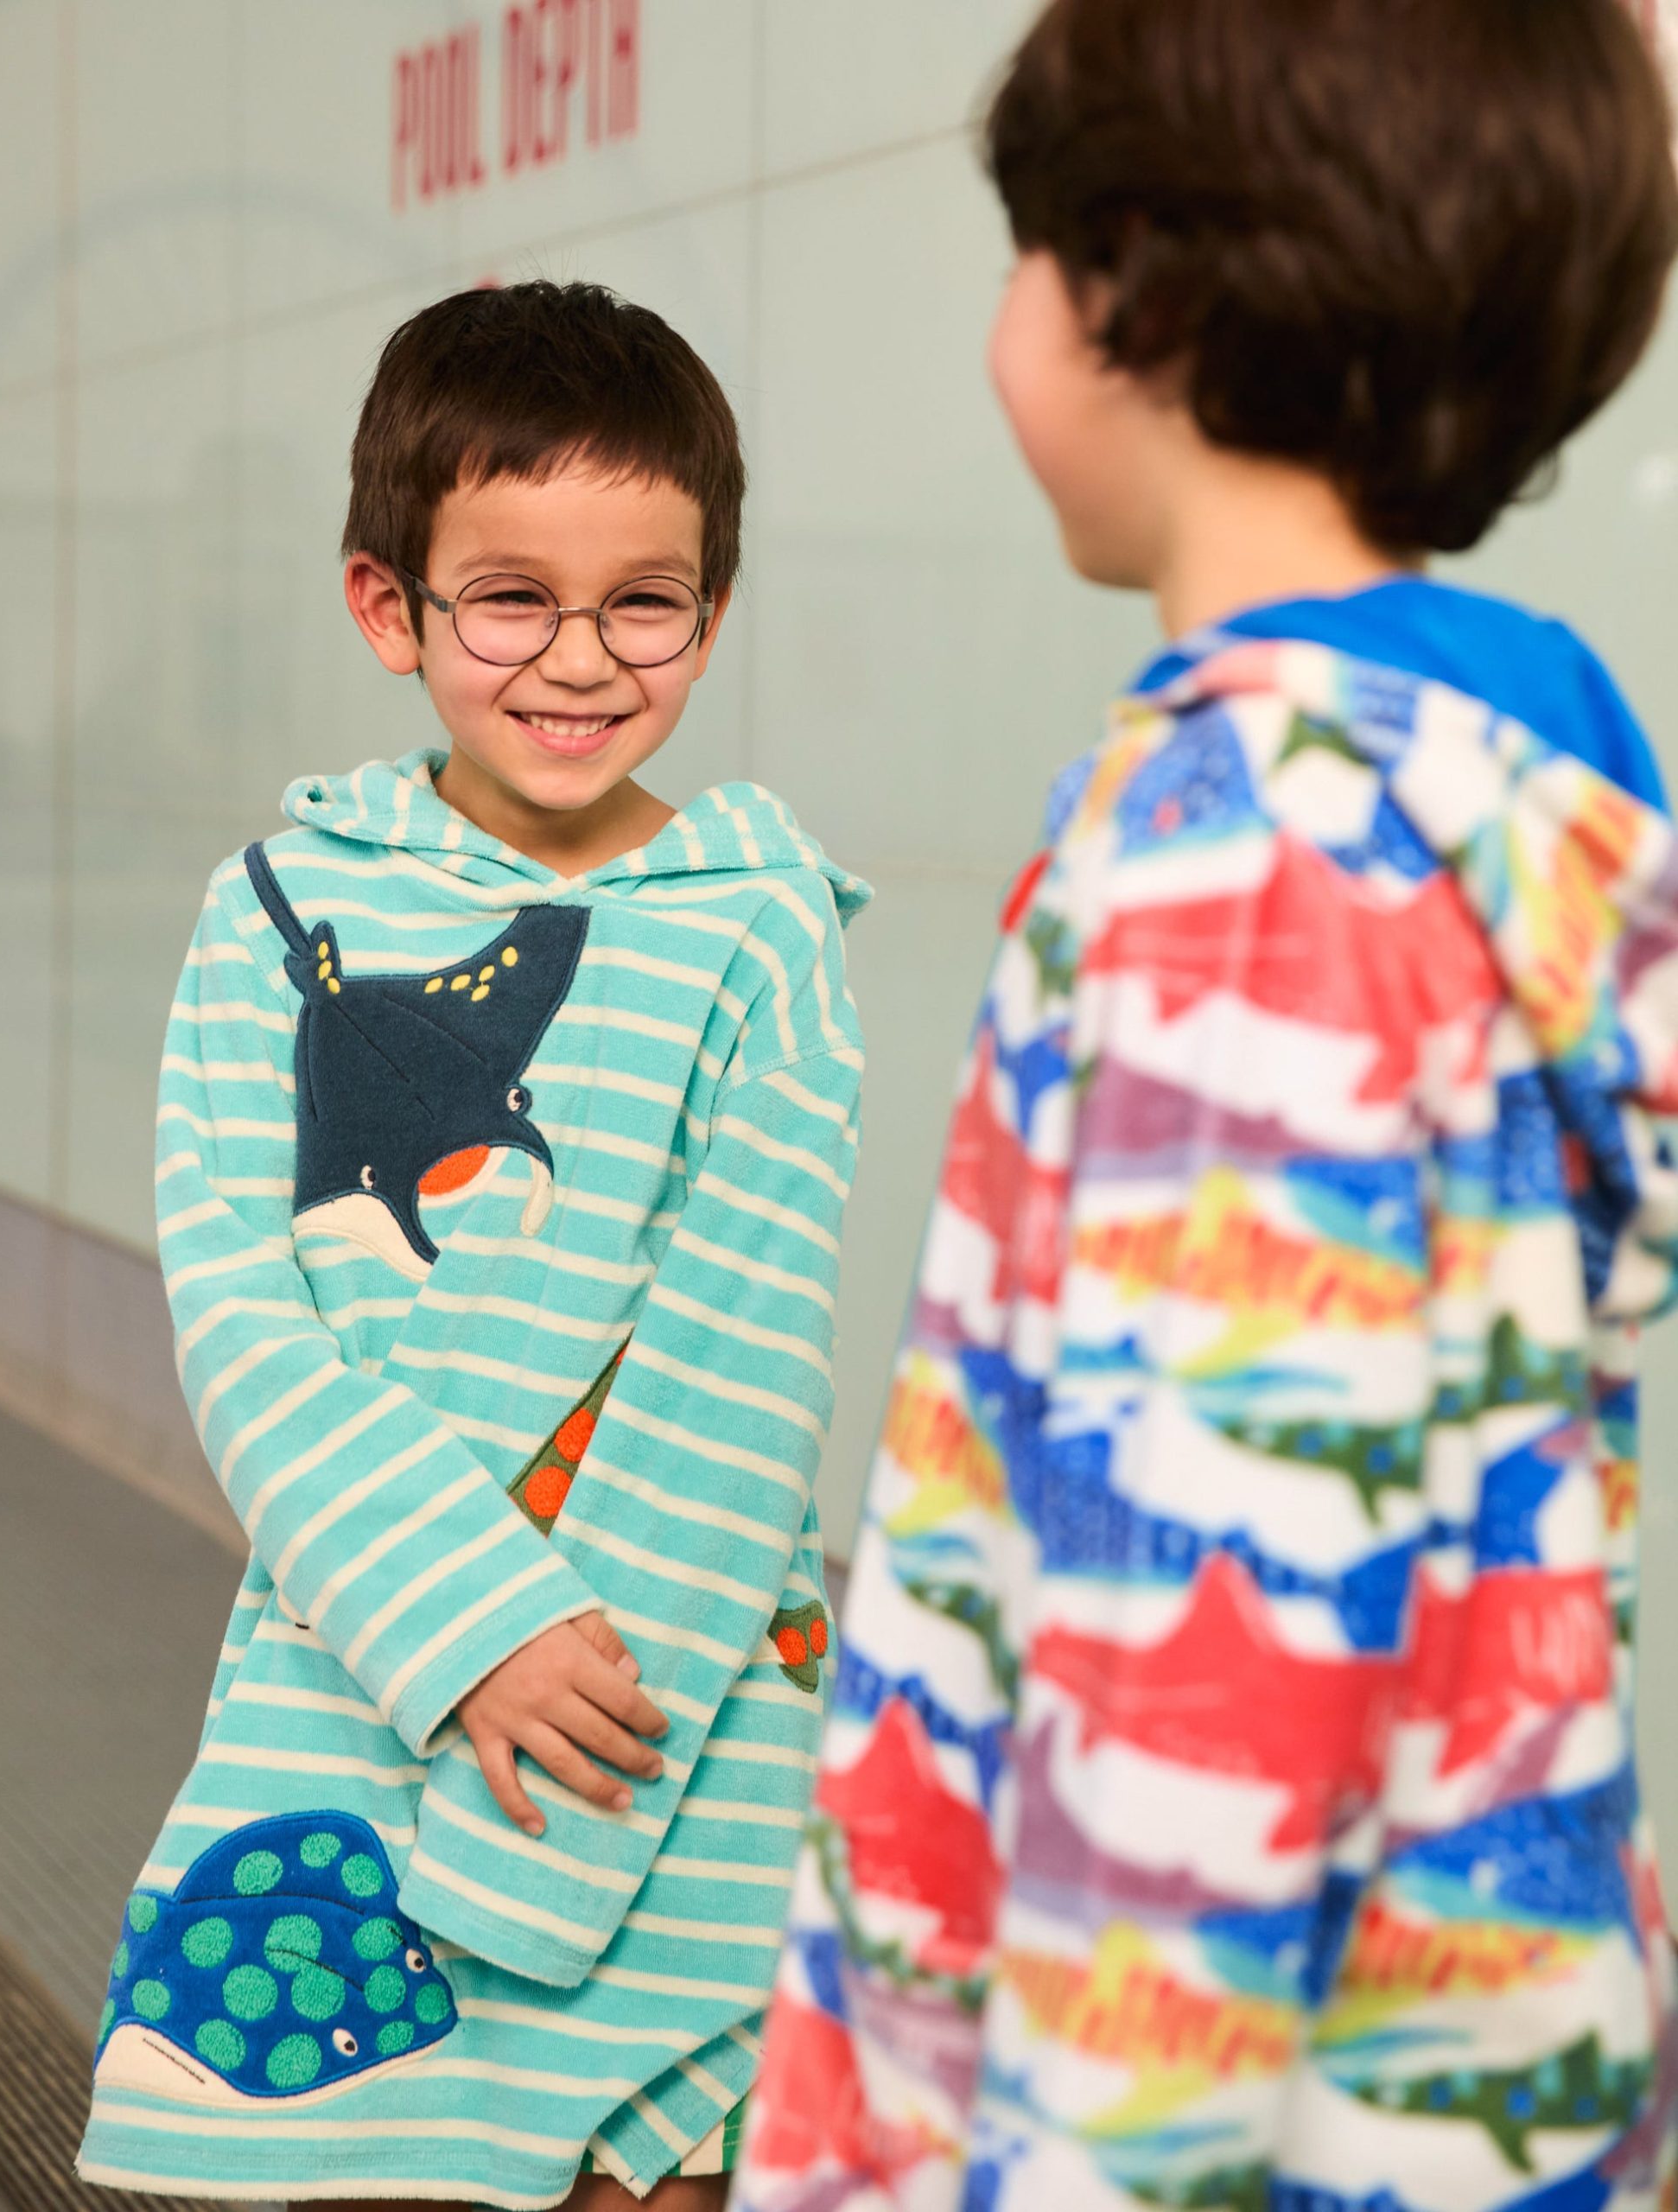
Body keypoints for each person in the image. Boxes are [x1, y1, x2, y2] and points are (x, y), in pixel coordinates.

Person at [733, 2, 1678, 2207]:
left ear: (1134, 291)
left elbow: (1213, 1660)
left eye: (1025, 247)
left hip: (1198, 2127)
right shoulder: (1486, 781)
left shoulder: (1254, 859)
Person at [74, 280, 868, 2212]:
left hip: (658, 1721)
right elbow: (245, 1322)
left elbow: (742, 1366)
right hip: (363, 1668)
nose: (579, 660)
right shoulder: (273, 909)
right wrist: (470, 1632)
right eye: (510, 597)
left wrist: (554, 1812)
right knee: (356, 2139)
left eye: (644, 602)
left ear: (713, 609)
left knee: (659, 2169)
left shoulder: (761, 928)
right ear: (389, 605)